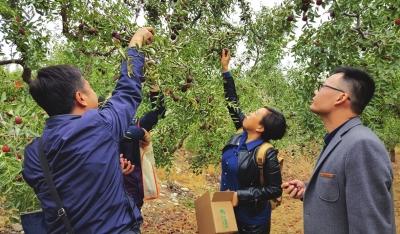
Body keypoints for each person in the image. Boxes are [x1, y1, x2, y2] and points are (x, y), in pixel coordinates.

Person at [22, 27, 155, 233]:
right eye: (90, 88)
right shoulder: (99, 125)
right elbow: (128, 90)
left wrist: (104, 166)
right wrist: (136, 40)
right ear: (80, 97)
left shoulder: (33, 154)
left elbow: (66, 189)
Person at [282, 67, 396, 234]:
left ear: (341, 97)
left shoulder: (361, 145)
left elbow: (370, 228)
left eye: (322, 86)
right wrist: (309, 190)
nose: (316, 91)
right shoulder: (338, 139)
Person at [219, 48, 286, 234]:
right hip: (226, 213)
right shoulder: (241, 134)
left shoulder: (266, 153)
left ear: (260, 128)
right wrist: (225, 70)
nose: (249, 113)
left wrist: (239, 196)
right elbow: (232, 102)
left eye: (256, 113)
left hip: (252, 222)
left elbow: (274, 190)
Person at [120, 84, 166, 209]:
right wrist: (141, 133)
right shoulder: (107, 126)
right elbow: (130, 133)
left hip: (133, 189)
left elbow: (158, 113)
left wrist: (155, 91)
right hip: (115, 188)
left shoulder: (135, 124)